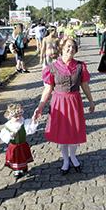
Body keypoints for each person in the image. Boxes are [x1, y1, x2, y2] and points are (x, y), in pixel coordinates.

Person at [33, 38, 95, 175]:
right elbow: (48, 89)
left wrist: (91, 101)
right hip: (59, 104)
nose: (70, 49)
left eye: (73, 47)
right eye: (68, 46)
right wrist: (40, 107)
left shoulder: (80, 66)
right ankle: (65, 160)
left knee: (74, 131)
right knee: (62, 133)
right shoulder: (53, 67)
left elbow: (85, 85)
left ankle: (73, 156)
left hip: (74, 102)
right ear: (61, 48)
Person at [0, 103, 38, 179]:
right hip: (14, 146)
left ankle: (23, 167)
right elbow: (3, 136)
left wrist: (33, 120)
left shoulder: (23, 122)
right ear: (10, 116)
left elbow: (30, 129)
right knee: (15, 158)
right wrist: (10, 136)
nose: (18, 118)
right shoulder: (8, 126)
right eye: (15, 116)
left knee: (23, 156)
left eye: (19, 115)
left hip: (22, 144)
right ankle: (16, 170)